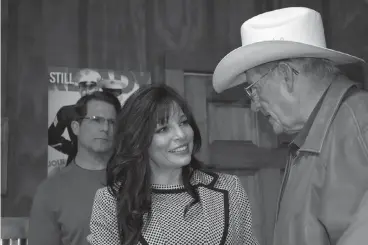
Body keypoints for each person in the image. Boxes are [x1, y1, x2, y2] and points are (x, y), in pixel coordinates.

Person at [212, 6, 368, 245]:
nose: (254, 105)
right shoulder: (312, 137)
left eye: (254, 89)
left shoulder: (358, 125)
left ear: (286, 75)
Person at [87, 84, 259, 245]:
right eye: (163, 129)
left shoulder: (230, 188)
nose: (181, 135)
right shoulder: (111, 201)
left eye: (183, 123)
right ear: (138, 141)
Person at [29, 92, 121, 245]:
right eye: (96, 120)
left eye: (112, 122)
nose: (105, 128)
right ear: (76, 127)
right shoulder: (50, 191)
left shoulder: (135, 181)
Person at [48, 68, 102, 165]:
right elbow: (50, 138)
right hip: (76, 166)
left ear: (97, 88)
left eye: (91, 86)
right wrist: (73, 149)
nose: (87, 91)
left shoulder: (108, 112)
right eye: (83, 86)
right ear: (79, 88)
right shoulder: (67, 112)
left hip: (103, 166)